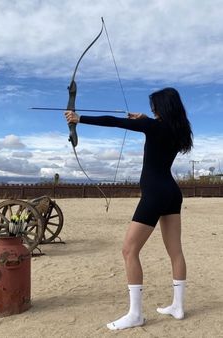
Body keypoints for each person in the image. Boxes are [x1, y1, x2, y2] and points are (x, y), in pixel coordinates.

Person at [65, 87, 193, 330]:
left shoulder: (153, 127)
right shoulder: (178, 130)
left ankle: (136, 314)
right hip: (172, 193)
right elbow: (152, 127)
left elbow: (113, 122)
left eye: (154, 106)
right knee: (176, 252)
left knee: (129, 251)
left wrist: (79, 118)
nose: (152, 110)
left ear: (160, 108)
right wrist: (144, 121)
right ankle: (178, 306)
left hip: (155, 194)